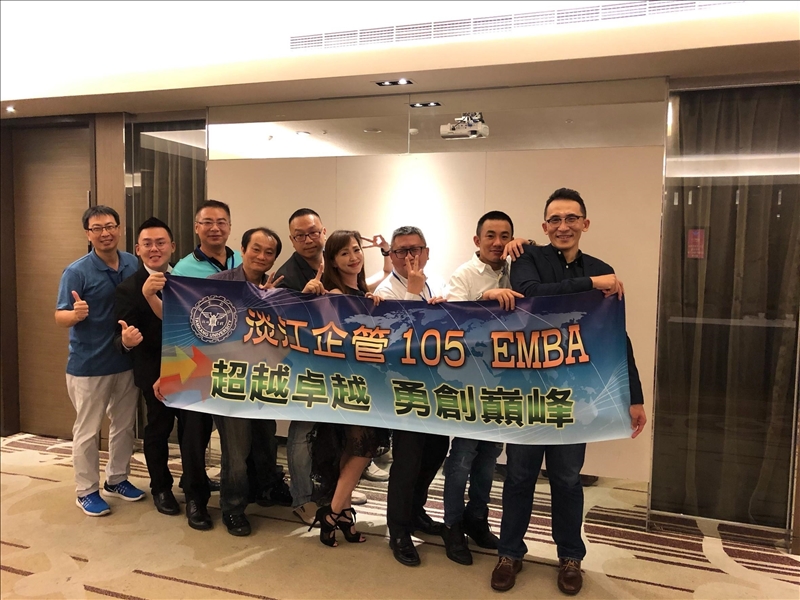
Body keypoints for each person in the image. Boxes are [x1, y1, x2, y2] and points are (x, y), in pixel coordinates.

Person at [492, 188, 647, 595]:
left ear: (585, 224)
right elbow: (532, 296)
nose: (564, 226)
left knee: (566, 479)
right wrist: (592, 284)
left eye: (571, 218)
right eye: (556, 220)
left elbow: (615, 337)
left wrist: (634, 396)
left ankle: (570, 557)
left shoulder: (603, 269)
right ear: (545, 226)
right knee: (519, 476)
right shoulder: (529, 259)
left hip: (575, 397)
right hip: (526, 394)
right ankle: (509, 553)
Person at [274, 208, 390, 525]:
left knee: (339, 437)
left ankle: (337, 496)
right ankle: (303, 500)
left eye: (314, 232)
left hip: (342, 374)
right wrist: (307, 297)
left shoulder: (341, 278)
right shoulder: (292, 275)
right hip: (307, 369)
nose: (309, 239)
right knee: (303, 431)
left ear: (323, 232)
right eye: (300, 235)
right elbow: (282, 318)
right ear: (292, 239)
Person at [113, 217, 215, 530]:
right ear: (137, 249)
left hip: (189, 368)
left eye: (160, 243)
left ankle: (195, 491)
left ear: (172, 246)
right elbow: (119, 336)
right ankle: (160, 487)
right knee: (158, 430)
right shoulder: (127, 288)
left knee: (195, 432)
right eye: (147, 244)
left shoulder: (185, 282)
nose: (154, 249)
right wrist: (126, 341)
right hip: (153, 373)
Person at [441, 211, 524, 565]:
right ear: (477, 240)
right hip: (468, 384)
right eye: (490, 235)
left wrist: (528, 246)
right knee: (462, 458)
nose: (498, 243)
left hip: (502, 383)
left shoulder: (517, 268)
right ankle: (452, 525)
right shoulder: (464, 275)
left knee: (489, 457)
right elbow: (451, 318)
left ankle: (477, 518)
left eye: (505, 236)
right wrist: (487, 296)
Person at [55, 205, 144, 516]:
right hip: (89, 365)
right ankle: (86, 490)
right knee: (89, 431)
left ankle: (117, 479)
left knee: (124, 425)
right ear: (88, 234)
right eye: (97, 228)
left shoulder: (133, 263)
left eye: (110, 226)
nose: (105, 233)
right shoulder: (76, 271)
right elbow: (59, 316)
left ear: (119, 228)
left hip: (125, 360)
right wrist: (75, 315)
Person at [304, 230, 389, 546]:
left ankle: (342, 513)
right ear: (332, 261)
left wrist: (384, 251)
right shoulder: (335, 294)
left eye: (356, 250)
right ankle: (332, 512)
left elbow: (386, 273)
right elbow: (332, 330)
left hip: (365, 382)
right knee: (363, 448)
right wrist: (314, 294)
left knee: (353, 449)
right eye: (344, 253)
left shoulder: (360, 290)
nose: (353, 257)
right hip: (348, 384)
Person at [373, 226, 449, 567]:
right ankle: (399, 530)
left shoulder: (437, 283)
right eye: (401, 251)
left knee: (435, 451)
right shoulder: (386, 290)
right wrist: (413, 294)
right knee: (407, 460)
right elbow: (397, 341)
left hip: (435, 386)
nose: (408, 256)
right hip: (404, 389)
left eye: (415, 249)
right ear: (391, 256)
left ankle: (416, 511)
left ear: (426, 252)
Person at [207, 227, 289, 536]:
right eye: (256, 249)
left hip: (265, 379)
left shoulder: (279, 289)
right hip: (229, 380)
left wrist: (270, 304)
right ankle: (233, 509)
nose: (262, 256)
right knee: (236, 451)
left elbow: (288, 338)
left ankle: (262, 491)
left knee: (265, 442)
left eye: (269, 252)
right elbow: (204, 330)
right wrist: (251, 304)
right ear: (242, 250)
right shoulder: (218, 284)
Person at [172, 199, 242, 277]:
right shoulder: (182, 271)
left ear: (229, 228)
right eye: (208, 222)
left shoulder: (242, 260)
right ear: (196, 228)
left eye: (221, 223)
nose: (215, 228)